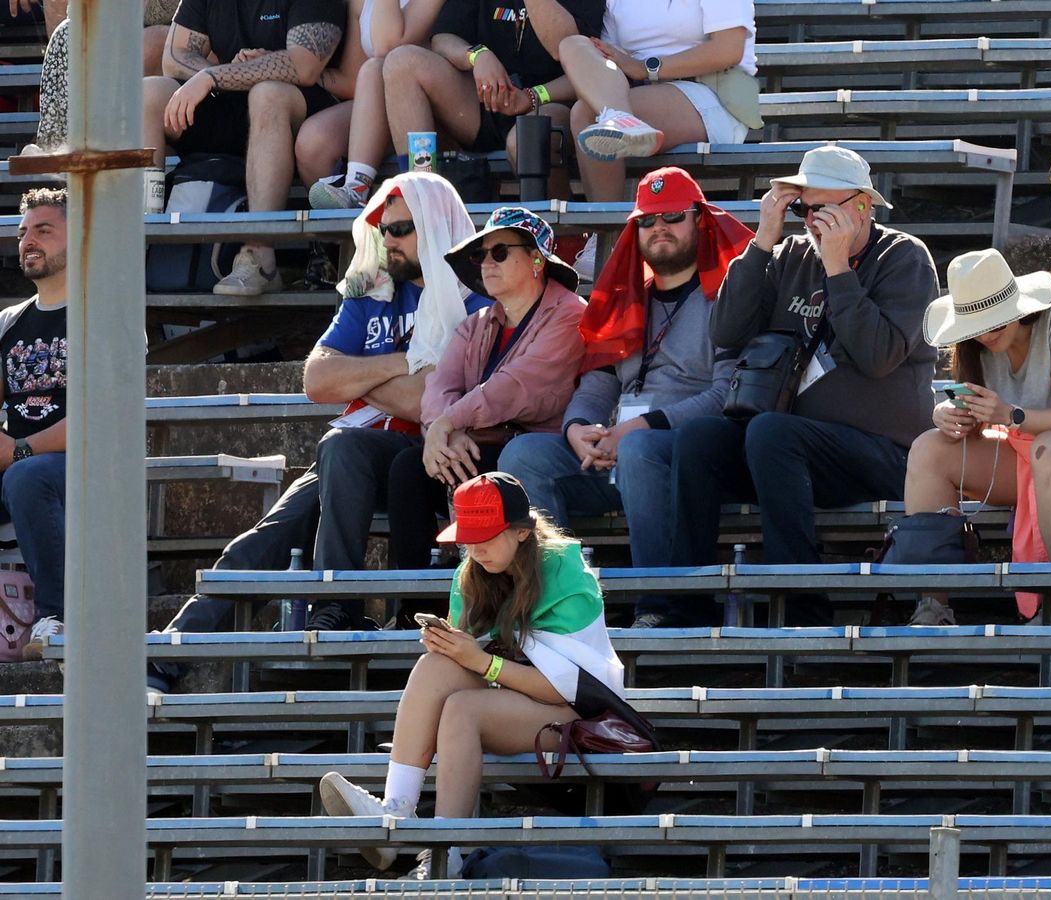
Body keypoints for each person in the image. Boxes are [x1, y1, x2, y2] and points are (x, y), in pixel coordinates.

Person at [147, 173, 492, 693]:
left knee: (341, 444)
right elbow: (316, 379)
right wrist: (402, 363)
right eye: (379, 227)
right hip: (353, 452)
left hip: (428, 456)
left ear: (436, 227)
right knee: (261, 542)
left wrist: (362, 374)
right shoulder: (372, 291)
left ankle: (337, 605)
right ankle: (167, 658)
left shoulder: (475, 301)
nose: (386, 240)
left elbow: (426, 404)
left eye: (399, 228)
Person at [667, 146, 938, 627]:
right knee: (697, 440)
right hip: (787, 456)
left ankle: (803, 608)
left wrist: (838, 269)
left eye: (824, 209)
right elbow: (726, 333)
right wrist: (762, 242)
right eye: (803, 208)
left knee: (771, 432)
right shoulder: (790, 254)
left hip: (883, 454)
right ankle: (684, 605)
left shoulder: (904, 258)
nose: (812, 221)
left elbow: (878, 357)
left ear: (862, 206)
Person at [319, 472, 627, 880]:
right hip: (511, 698)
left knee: (464, 710)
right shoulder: (471, 571)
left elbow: (569, 689)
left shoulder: (566, 574)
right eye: (468, 538)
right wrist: (454, 649)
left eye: (486, 536)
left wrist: (482, 662)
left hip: (579, 713)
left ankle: (445, 854)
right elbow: (478, 659)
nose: (475, 549)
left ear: (521, 532)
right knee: (437, 665)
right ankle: (395, 810)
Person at [499, 167, 749, 628]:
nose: (659, 229)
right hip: (618, 449)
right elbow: (599, 381)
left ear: (700, 220)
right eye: (647, 221)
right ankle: (558, 602)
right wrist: (578, 429)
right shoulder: (631, 297)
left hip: (684, 452)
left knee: (639, 450)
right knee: (524, 454)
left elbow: (726, 394)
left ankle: (661, 605)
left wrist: (639, 428)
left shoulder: (725, 297)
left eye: (672, 217)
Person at [905, 249, 1051, 626]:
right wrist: (947, 415)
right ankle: (933, 604)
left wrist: (1008, 415)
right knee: (928, 449)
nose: (986, 331)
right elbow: (977, 410)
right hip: (1033, 453)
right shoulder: (974, 345)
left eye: (993, 317)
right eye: (976, 322)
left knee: (1046, 450)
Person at [384, 208, 586, 574]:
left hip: (536, 450)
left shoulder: (570, 314)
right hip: (479, 447)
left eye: (499, 252)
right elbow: (438, 387)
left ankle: (492, 596)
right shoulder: (475, 323)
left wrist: (448, 423)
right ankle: (416, 608)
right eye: (480, 255)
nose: (486, 263)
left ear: (536, 260)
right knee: (408, 468)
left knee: (479, 465)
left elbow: (516, 387)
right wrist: (443, 432)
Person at [141, 0, 346, 296]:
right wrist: (226, 73)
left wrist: (218, 75)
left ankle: (259, 258)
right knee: (150, 93)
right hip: (231, 102)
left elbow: (305, 66)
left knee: (267, 94)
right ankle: (140, 241)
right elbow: (174, 56)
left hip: (302, 112)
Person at [379, 0, 602, 193]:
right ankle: (422, 196)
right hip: (486, 100)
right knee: (402, 62)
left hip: (551, 101)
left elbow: (580, 57)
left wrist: (533, 96)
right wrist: (476, 55)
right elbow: (445, 37)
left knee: (527, 140)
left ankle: (565, 234)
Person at [563, 0, 757, 196]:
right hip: (638, 90)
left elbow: (728, 50)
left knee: (588, 114)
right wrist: (536, 94)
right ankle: (622, 120)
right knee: (573, 45)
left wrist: (645, 68)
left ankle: (610, 223)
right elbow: (608, 56)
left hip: (711, 90)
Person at [298, 0, 452, 209]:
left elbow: (387, 45)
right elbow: (353, 80)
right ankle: (354, 192)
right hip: (388, 108)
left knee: (382, 64)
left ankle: (415, 200)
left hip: (433, 114)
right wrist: (294, 69)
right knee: (314, 142)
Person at [3, 189, 71, 660]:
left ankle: (58, 613)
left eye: (44, 230)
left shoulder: (104, 311)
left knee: (26, 476)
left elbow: (103, 418)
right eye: (24, 232)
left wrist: (19, 449)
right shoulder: (9, 321)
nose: (29, 240)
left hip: (85, 464)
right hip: (20, 461)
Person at [30, 0, 180, 153]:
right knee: (69, 32)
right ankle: (58, 146)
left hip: (175, 39)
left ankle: (98, 145)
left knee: (149, 42)